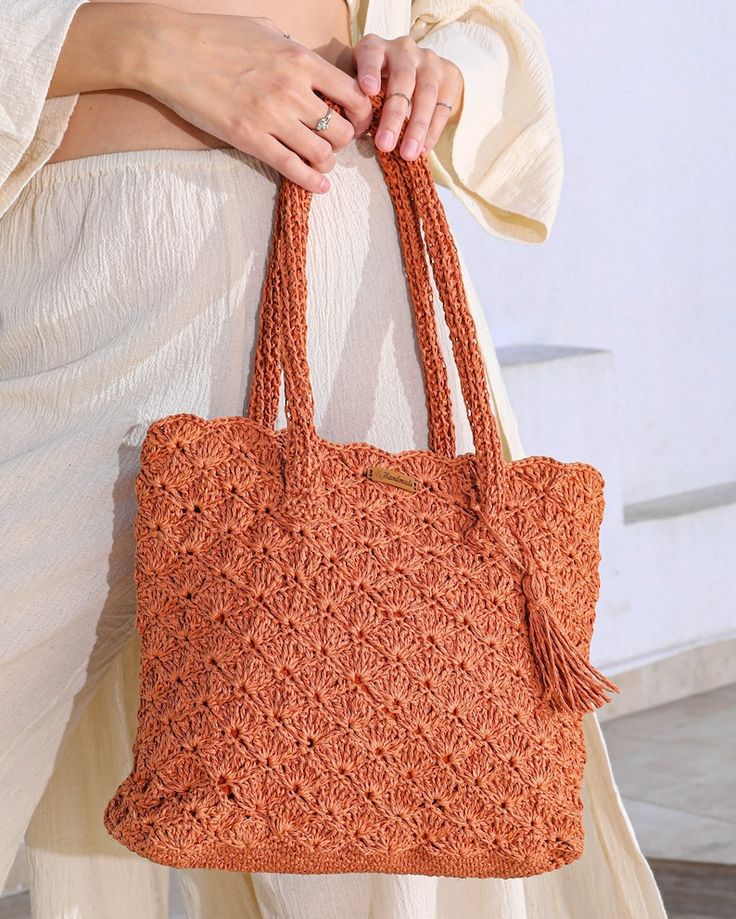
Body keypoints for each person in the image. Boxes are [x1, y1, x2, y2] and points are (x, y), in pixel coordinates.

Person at [0, 0, 666, 916]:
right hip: (84, 274)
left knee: (382, 820)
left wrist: (443, 70)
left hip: (354, 256)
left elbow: (478, 19)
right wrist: (138, 43)